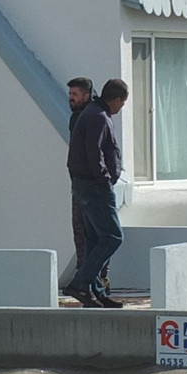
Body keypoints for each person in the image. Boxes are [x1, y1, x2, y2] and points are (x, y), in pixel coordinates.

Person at [65, 78, 128, 308]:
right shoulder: (98, 116)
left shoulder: (92, 113)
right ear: (117, 100)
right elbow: (94, 153)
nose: (121, 108)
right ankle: (81, 283)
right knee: (113, 237)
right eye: (121, 104)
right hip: (94, 187)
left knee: (93, 239)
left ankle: (95, 292)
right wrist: (104, 180)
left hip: (85, 185)